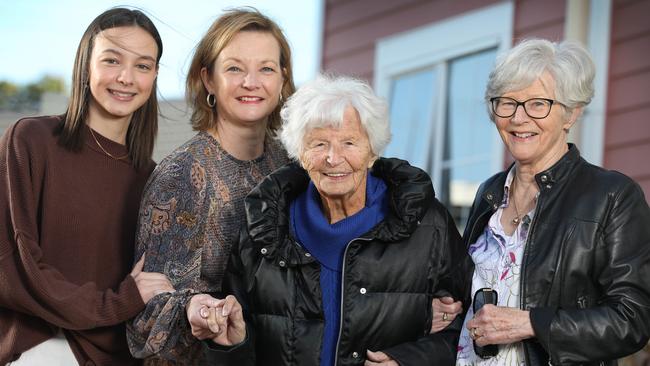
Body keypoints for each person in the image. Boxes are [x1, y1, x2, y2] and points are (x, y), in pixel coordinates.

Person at [187, 74, 470, 365]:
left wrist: (409, 361)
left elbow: (466, 329)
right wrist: (232, 344)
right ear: (299, 152)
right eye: (319, 144)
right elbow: (236, 340)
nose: (333, 158)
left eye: (349, 142)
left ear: (372, 150)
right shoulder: (264, 227)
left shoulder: (427, 222)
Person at [456, 39, 650, 365]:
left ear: (571, 113)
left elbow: (633, 320)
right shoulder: (489, 194)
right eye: (507, 103)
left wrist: (533, 322)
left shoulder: (611, 196)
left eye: (538, 104)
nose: (519, 118)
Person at [0, 8, 174, 366]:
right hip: (41, 347)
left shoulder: (154, 179)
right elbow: (14, 266)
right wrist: (115, 303)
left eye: (143, 65)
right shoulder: (31, 141)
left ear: (154, 75)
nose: (126, 77)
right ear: (85, 65)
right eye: (112, 60)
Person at [126, 8, 295, 364]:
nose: (251, 82)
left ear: (283, 79)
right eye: (234, 68)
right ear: (209, 79)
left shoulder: (292, 166)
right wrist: (194, 309)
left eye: (266, 68)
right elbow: (148, 318)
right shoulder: (185, 174)